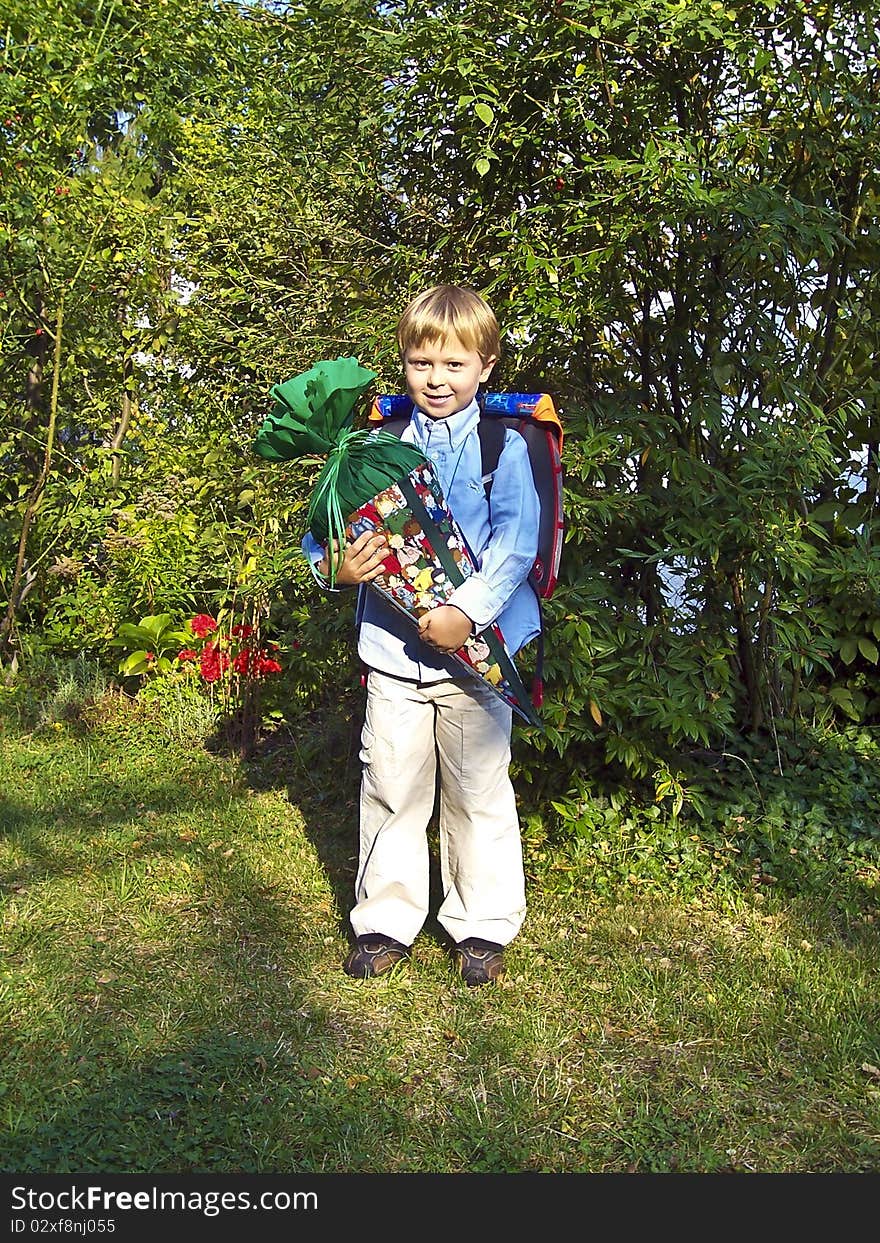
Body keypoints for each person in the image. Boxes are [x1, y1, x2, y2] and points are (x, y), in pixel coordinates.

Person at [304, 284, 540, 986]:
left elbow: (516, 545)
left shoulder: (505, 446)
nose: (436, 379)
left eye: (454, 364)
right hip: (392, 654)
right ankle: (384, 919)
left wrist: (466, 612)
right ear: (403, 363)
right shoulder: (375, 445)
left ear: (487, 365)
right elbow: (323, 534)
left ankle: (481, 925)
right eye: (420, 362)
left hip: (475, 662)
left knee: (477, 792)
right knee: (391, 785)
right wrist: (336, 570)